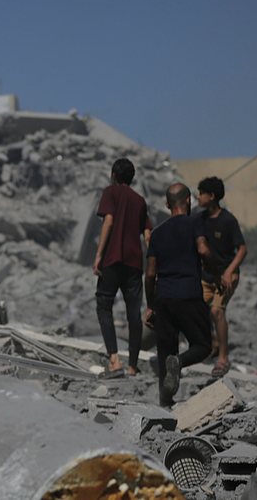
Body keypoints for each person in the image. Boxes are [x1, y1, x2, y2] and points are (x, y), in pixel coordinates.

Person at [144, 183, 220, 407]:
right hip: (189, 294)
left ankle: (165, 403)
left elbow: (150, 274)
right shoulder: (195, 223)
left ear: (167, 204)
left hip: (163, 298)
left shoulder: (156, 233)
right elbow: (203, 250)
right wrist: (216, 275)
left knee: (165, 352)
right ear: (188, 201)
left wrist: (151, 306)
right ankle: (179, 361)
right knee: (203, 345)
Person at [93, 158, 152, 377]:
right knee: (133, 314)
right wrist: (152, 263)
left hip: (113, 259)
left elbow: (108, 221)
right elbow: (148, 235)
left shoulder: (111, 192)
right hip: (135, 263)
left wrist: (99, 255)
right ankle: (132, 366)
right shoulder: (140, 200)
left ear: (114, 175)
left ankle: (114, 360)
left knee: (104, 305)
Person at [195, 176, 246, 376]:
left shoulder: (228, 220)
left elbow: (242, 249)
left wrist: (229, 272)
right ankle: (213, 341)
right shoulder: (200, 219)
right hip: (206, 276)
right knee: (191, 308)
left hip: (226, 275)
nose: (198, 197)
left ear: (212, 196)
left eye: (201, 193)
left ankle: (223, 358)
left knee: (216, 311)